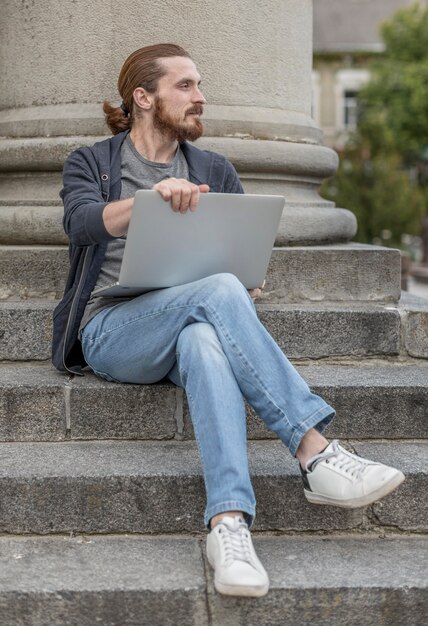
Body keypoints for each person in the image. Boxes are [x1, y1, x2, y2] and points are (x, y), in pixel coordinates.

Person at [52, 43, 405, 598]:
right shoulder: (93, 162)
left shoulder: (215, 169)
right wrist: (150, 200)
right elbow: (80, 223)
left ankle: (229, 525)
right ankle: (315, 451)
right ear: (143, 98)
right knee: (213, 295)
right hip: (113, 328)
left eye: (199, 85)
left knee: (204, 342)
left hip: (191, 323)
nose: (201, 97)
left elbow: (242, 268)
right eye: (186, 86)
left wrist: (245, 281)